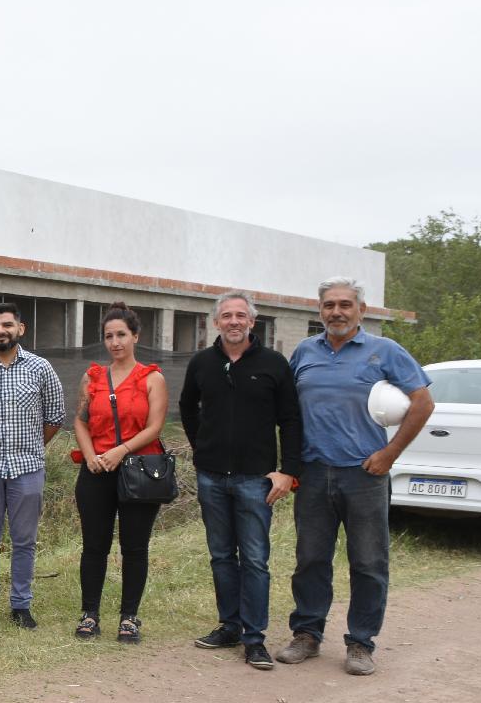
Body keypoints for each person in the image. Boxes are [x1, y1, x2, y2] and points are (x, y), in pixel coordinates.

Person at [276, 277, 433, 675]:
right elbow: (288, 410)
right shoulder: (305, 352)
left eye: (345, 304)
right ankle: (307, 635)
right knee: (310, 559)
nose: (337, 312)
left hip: (364, 475)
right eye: (329, 305)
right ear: (319, 311)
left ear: (361, 310)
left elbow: (423, 403)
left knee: (368, 562)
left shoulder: (385, 351)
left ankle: (361, 643)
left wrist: (390, 453)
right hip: (313, 474)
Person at [179, 292, 303, 670]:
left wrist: (289, 471)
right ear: (215, 322)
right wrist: (202, 449)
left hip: (255, 480)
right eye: (226, 316)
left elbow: (291, 420)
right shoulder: (202, 362)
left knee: (254, 559)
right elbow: (187, 407)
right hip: (212, 478)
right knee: (220, 556)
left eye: (241, 316)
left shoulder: (274, 364)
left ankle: (255, 638)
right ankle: (229, 625)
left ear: (253, 321)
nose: (234, 321)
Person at [0, 302, 65, 628]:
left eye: (7, 324)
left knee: (24, 541)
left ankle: (21, 605)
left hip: (28, 469)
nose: (0, 330)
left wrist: (30, 447)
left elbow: (55, 416)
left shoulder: (40, 368)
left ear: (20, 329)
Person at [71, 302, 167, 644]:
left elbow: (155, 427)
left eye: (121, 335)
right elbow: (80, 422)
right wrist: (91, 455)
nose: (115, 342)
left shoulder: (152, 378)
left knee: (134, 547)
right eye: (109, 336)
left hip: (138, 470)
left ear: (135, 336)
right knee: (94, 546)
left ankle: (129, 618)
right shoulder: (93, 377)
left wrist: (120, 451)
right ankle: (89, 614)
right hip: (96, 470)